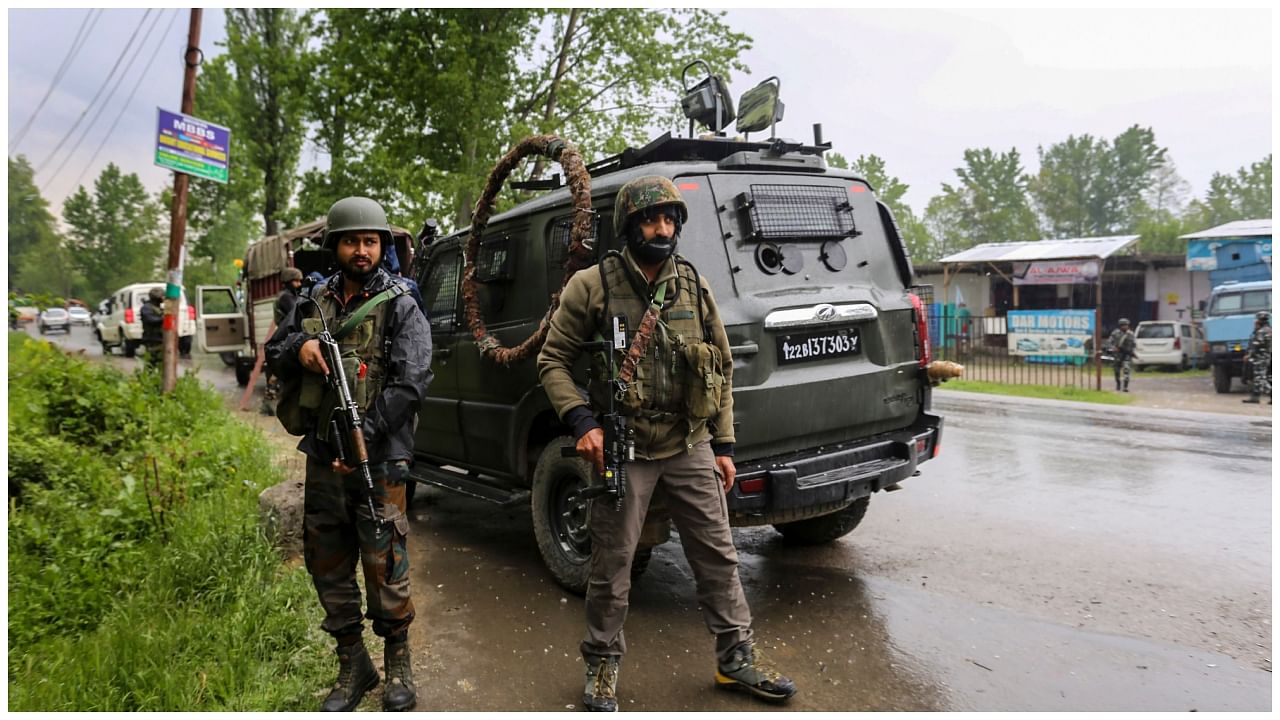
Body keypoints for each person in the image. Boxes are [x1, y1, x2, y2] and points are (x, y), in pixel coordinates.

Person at [537, 176, 797, 712]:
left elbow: (720, 368)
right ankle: (602, 665)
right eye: (651, 220)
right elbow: (552, 361)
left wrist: (723, 446)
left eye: (670, 220)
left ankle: (735, 660)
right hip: (624, 444)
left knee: (719, 556)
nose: (662, 229)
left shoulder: (692, 284)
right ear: (631, 225)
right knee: (612, 563)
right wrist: (583, 420)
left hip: (689, 441)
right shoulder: (593, 285)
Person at [265, 197, 433, 712]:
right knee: (327, 561)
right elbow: (274, 350)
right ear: (334, 246)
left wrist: (361, 438)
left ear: (382, 246)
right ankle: (353, 664)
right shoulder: (313, 302)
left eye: (370, 241)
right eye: (351, 241)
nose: (361, 250)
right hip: (323, 459)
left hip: (376, 460)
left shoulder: (401, 303)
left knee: (386, 563)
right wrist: (300, 349)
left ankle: (398, 663)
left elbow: (411, 383)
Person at [262, 267, 305, 414]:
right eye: (295, 281)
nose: (299, 284)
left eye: (300, 281)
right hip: (286, 337)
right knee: (278, 373)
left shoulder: (289, 295)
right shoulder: (286, 297)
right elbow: (297, 313)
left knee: (278, 375)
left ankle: (271, 403)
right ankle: (270, 404)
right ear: (287, 281)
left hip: (288, 337)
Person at [1243, 310, 1271, 404]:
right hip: (1266, 356)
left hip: (1260, 357)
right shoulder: (1269, 329)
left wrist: (1249, 355)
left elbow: (1256, 345)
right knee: (1261, 377)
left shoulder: (1262, 331)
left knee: (1260, 378)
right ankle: (1255, 397)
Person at [1106, 318, 1136, 392]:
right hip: (1117, 354)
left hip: (1127, 355)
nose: (1125, 327)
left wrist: (1132, 352)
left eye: (1126, 325)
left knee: (1126, 370)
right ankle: (1118, 384)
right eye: (1123, 325)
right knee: (1117, 371)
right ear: (1120, 326)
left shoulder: (1131, 334)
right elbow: (1109, 342)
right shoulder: (1115, 333)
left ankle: (1125, 386)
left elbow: (1133, 344)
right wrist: (1113, 348)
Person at [140, 287, 165, 370]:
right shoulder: (147, 308)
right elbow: (151, 320)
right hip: (152, 340)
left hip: (160, 339)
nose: (163, 298)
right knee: (151, 364)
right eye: (162, 296)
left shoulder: (158, 308)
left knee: (161, 363)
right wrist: (164, 318)